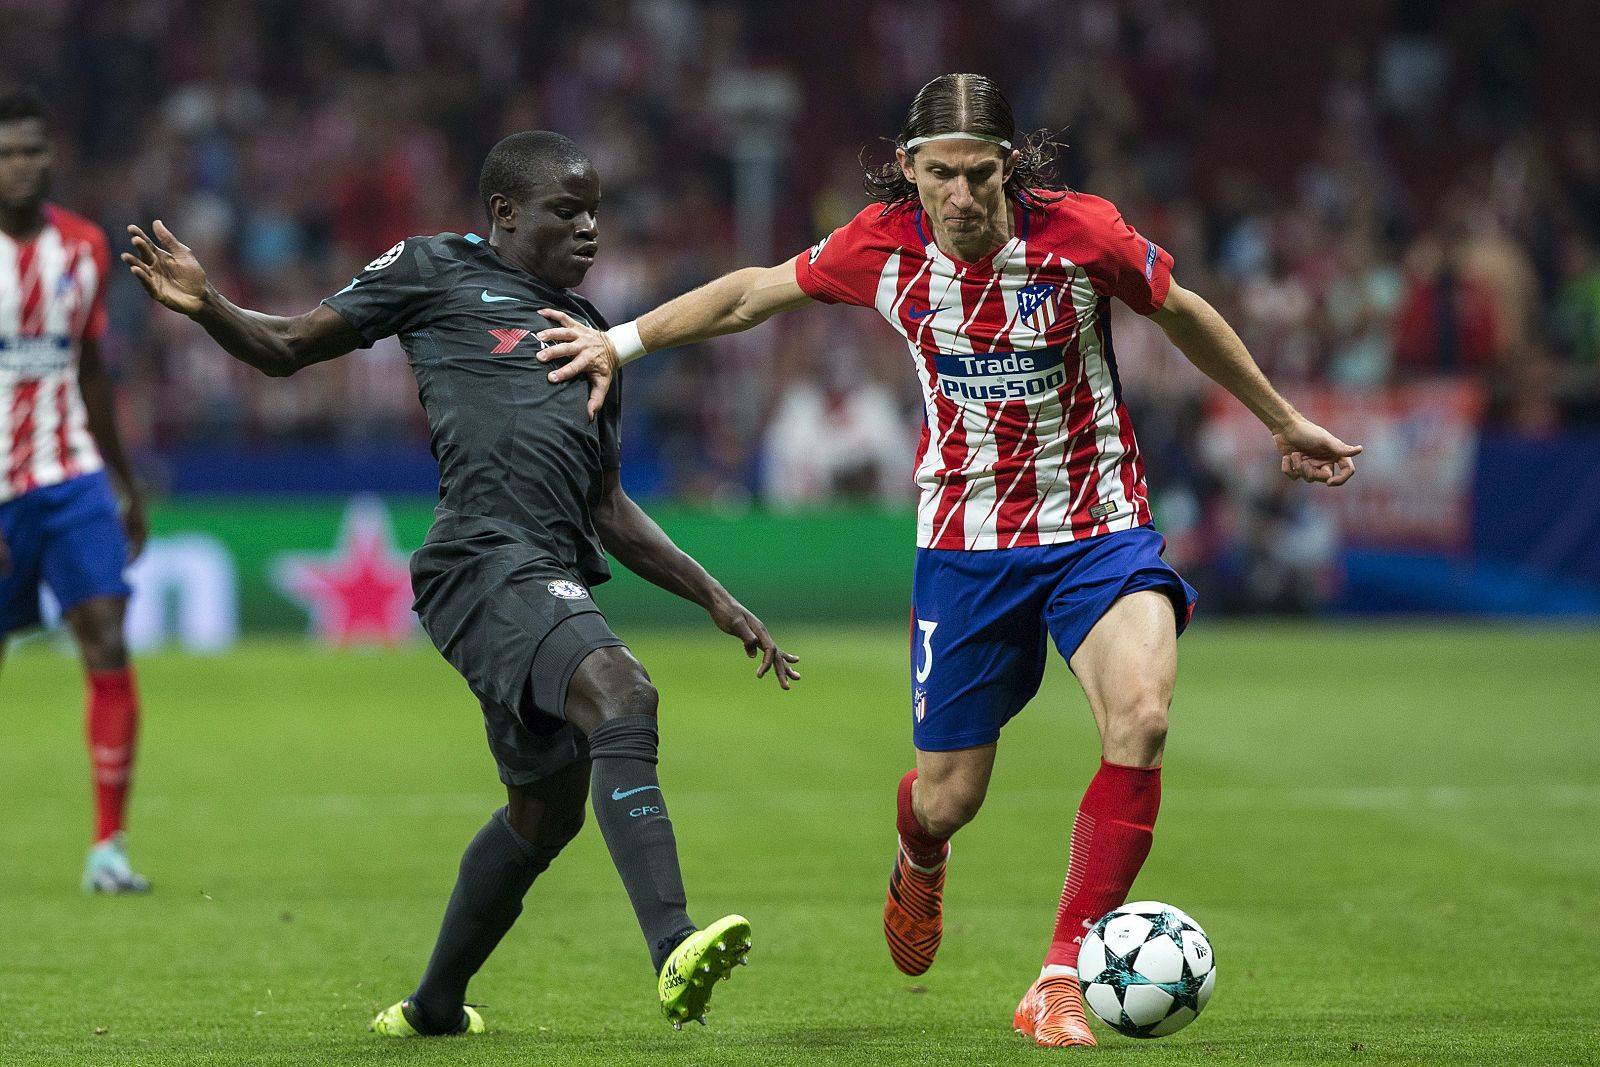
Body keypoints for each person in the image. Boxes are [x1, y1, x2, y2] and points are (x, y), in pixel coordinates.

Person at [536, 73, 1362, 1048]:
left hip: (1097, 527)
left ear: (1009, 167)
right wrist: (618, 340)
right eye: (940, 176)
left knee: (1139, 716)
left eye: (979, 174)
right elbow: (751, 295)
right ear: (907, 169)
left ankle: (1061, 970)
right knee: (948, 794)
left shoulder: (1082, 236)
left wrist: (1280, 417)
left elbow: (1178, 309)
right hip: (965, 550)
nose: (961, 196)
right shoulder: (879, 246)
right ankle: (919, 850)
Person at [123, 130, 799, 1036]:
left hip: (541, 573)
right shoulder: (435, 268)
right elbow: (286, 347)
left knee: (545, 808)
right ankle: (673, 940)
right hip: (480, 558)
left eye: (597, 209)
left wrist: (715, 594)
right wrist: (210, 307)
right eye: (570, 210)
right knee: (622, 691)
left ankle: (433, 1005)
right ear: (507, 213)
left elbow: (606, 505)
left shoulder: (593, 333)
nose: (591, 228)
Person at [0, 86, 150, 895]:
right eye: (7, 152)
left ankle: (107, 848)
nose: (23, 165)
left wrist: (126, 482)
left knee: (107, 635)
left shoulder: (85, 247)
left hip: (70, 473)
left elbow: (91, 370)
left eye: (33, 149)